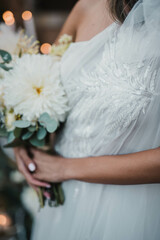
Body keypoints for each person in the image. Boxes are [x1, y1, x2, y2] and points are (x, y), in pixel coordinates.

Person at [14, 0, 160, 239]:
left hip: (128, 213)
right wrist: (24, 140)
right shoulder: (85, 6)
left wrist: (66, 168)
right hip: (65, 204)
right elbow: (43, 79)